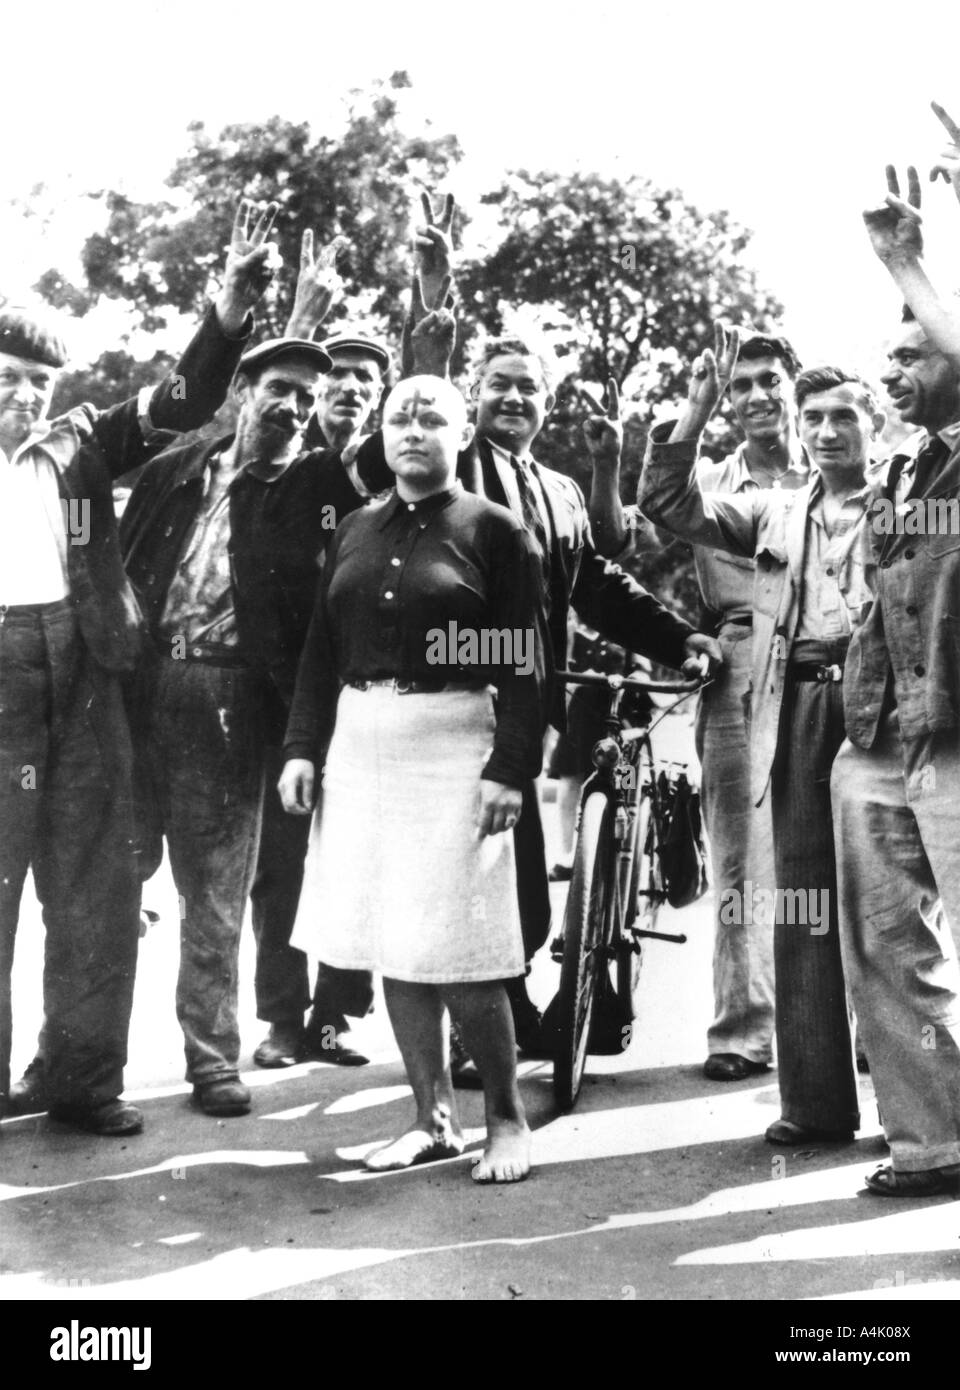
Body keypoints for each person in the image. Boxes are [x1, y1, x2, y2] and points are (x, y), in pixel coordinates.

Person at [0, 197, 270, 1135]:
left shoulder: (77, 442)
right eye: (6, 374)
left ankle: (81, 1080)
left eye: (36, 378)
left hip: (78, 672)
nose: (21, 393)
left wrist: (226, 320)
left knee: (93, 884)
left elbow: (185, 402)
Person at [279, 374, 548, 1182]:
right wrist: (301, 747)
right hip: (360, 741)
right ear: (383, 434)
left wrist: (509, 770)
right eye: (401, 417)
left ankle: (506, 1119)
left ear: (462, 434)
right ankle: (431, 1120)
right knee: (391, 937)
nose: (414, 430)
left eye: (433, 418)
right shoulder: (356, 528)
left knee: (458, 944)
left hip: (452, 740)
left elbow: (528, 667)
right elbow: (319, 651)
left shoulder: (497, 532)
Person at [640, 331, 885, 1146]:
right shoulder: (765, 506)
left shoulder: (906, 495)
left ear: (869, 424)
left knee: (887, 886)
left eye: (840, 416)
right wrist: (693, 412)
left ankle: (899, 1065)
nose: (822, 431)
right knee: (785, 881)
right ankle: (797, 1084)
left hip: (883, 688)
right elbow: (670, 506)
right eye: (811, 417)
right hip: (783, 685)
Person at [591, 331, 808, 1084]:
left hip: (827, 657)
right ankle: (743, 1030)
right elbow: (653, 510)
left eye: (766, 380)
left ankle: (855, 1030)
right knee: (744, 852)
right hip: (741, 658)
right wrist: (693, 408)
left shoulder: (837, 462)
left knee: (839, 844)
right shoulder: (706, 476)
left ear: (793, 384)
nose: (753, 396)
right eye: (739, 385)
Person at [829, 156, 960, 1196]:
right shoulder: (901, 472)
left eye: (911, 353)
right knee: (885, 950)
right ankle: (933, 1139)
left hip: (956, 739)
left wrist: (908, 263)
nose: (890, 373)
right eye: (887, 357)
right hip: (879, 740)